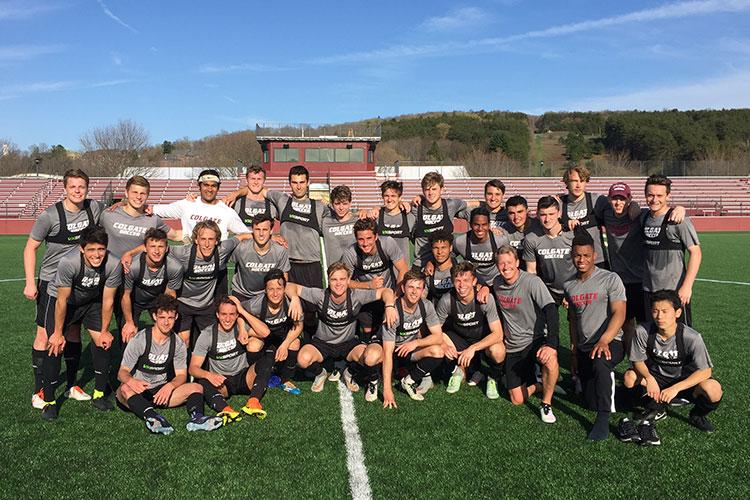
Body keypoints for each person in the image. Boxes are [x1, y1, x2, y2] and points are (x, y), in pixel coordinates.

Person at [24, 169, 104, 408]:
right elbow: (30, 248)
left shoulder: (94, 208)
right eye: (73, 187)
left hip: (79, 281)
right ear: (65, 188)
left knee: (72, 333)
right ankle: (39, 390)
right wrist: (30, 282)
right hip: (52, 282)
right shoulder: (50, 216)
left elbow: (114, 213)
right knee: (46, 335)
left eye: (82, 187)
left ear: (87, 188)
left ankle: (71, 385)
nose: (78, 191)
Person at [40, 225, 122, 420]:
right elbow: (62, 300)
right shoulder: (69, 262)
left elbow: (108, 300)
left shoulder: (113, 263)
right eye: (91, 249)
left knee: (103, 342)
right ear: (82, 248)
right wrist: (58, 333)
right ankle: (50, 402)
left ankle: (99, 395)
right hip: (63, 302)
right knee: (55, 346)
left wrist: (104, 330)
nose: (97, 254)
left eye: (101, 249)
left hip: (91, 301)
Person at [621, 290, 722, 445]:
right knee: (629, 378)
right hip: (657, 378)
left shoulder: (691, 337)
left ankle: (697, 415)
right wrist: (649, 378)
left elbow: (706, 371)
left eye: (665, 311)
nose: (659, 316)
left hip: (683, 380)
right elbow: (637, 361)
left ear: (677, 312)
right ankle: (653, 407)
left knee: (713, 389)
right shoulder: (642, 331)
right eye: (655, 311)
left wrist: (676, 388)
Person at [116, 294, 224, 435]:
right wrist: (132, 381)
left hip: (162, 393)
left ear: (176, 317)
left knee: (196, 387)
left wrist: (170, 386)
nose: (166, 323)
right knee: (124, 389)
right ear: (155, 316)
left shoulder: (178, 343)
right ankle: (154, 418)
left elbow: (181, 375)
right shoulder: (140, 339)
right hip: (138, 391)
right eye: (162, 318)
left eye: (170, 318)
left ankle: (197, 419)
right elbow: (122, 372)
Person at [286, 262, 397, 399]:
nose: (338, 283)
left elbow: (386, 291)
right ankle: (320, 373)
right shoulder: (320, 295)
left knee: (372, 357)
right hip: (322, 343)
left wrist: (390, 306)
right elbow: (289, 286)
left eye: (342, 279)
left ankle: (349, 372)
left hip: (348, 344)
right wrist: (295, 298)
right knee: (303, 359)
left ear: (348, 280)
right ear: (328, 281)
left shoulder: (356, 296)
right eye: (334, 279)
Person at [563, 231, 627, 440]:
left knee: (601, 362)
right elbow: (573, 319)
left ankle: (603, 420)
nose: (582, 260)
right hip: (584, 347)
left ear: (595, 255)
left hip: (611, 342)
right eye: (577, 256)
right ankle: (624, 391)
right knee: (589, 401)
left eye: (586, 255)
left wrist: (605, 339)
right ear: (572, 256)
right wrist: (573, 350)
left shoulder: (610, 278)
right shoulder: (569, 285)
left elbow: (620, 312)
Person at [493, 245, 560, 424]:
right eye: (501, 264)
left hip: (534, 339)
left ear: (517, 262)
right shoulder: (496, 283)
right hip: (513, 346)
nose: (506, 267)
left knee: (550, 360)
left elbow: (551, 310)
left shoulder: (532, 281)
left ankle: (546, 403)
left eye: (509, 262)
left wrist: (551, 345)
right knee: (517, 400)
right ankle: (540, 384)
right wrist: (484, 289)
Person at [190, 295, 274, 420]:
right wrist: (209, 375)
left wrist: (242, 311)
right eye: (224, 314)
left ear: (236, 315)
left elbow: (265, 332)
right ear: (217, 315)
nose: (228, 319)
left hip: (243, 377)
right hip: (222, 381)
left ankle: (253, 402)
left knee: (266, 362)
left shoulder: (240, 327)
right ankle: (226, 410)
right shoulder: (207, 335)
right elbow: (193, 368)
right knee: (202, 381)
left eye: (232, 314)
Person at [168, 220, 248, 347]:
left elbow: (242, 236)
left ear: (217, 241)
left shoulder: (222, 249)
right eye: (203, 239)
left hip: (207, 305)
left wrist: (271, 239)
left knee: (212, 342)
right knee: (184, 342)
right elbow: (158, 248)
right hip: (184, 303)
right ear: (196, 240)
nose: (206, 244)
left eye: (211, 239)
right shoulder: (183, 253)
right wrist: (130, 254)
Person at [435, 262, 505, 399]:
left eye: (466, 280)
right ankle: (460, 370)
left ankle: (492, 377)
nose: (461, 285)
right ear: (452, 281)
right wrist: (443, 345)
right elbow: (436, 331)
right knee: (439, 341)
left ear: (474, 281)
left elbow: (498, 334)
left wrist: (473, 348)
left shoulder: (485, 298)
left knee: (498, 351)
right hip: (459, 338)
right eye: (457, 281)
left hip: (481, 340)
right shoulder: (446, 300)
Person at [640, 174, 701, 326]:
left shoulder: (678, 221)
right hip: (649, 290)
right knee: (653, 335)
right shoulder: (643, 217)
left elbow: (696, 253)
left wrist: (687, 287)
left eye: (660, 195)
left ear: (668, 195)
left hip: (674, 291)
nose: (654, 200)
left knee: (680, 335)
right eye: (650, 195)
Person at [381, 270, 445, 407]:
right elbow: (387, 352)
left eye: (418, 288)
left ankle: (409, 381)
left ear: (423, 290)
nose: (414, 292)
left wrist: (416, 343)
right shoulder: (394, 312)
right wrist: (387, 390)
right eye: (411, 287)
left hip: (410, 349)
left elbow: (438, 337)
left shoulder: (426, 305)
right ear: (403, 288)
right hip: (394, 352)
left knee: (438, 351)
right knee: (374, 358)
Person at [341, 218, 408, 341]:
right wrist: (368, 285)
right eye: (361, 239)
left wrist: (395, 297)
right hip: (366, 296)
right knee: (367, 330)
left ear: (376, 236)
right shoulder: (351, 253)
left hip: (389, 293)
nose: (365, 243)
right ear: (356, 239)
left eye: (369, 238)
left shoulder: (387, 243)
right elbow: (344, 282)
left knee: (391, 323)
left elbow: (403, 269)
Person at [239, 269, 303, 395]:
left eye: (279, 289)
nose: (275, 293)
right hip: (264, 337)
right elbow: (239, 312)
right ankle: (259, 376)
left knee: (295, 343)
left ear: (284, 289)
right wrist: (242, 329)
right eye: (270, 289)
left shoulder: (291, 303)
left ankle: (284, 379)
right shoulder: (256, 304)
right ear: (265, 290)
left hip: (282, 337)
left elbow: (299, 326)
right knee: (253, 345)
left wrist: (285, 344)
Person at [151, 169, 250, 242]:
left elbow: (247, 235)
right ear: (199, 186)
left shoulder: (227, 212)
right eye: (206, 185)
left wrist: (230, 244)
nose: (210, 189)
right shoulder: (187, 204)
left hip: (216, 265)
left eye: (213, 185)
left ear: (218, 187)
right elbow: (154, 210)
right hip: (190, 262)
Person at [120, 228, 183, 343]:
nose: (157, 251)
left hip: (158, 300)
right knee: (128, 337)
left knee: (167, 334)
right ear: (144, 248)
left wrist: (167, 320)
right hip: (134, 301)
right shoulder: (133, 267)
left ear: (167, 248)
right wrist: (129, 323)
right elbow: (125, 295)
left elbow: (170, 295)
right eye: (153, 246)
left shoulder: (174, 267)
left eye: (161, 247)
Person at [523, 196, 576, 307]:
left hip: (573, 287)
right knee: (549, 323)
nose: (547, 219)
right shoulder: (531, 238)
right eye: (543, 215)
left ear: (559, 213)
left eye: (551, 214)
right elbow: (531, 271)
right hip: (548, 290)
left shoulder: (572, 235)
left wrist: (574, 290)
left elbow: (583, 266)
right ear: (537, 215)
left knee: (579, 323)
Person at [410, 172, 468, 270]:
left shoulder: (451, 205)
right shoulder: (416, 208)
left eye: (434, 189)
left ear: (441, 189)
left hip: (446, 264)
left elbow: (468, 204)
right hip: (421, 264)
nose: (430, 193)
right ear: (423, 191)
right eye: (427, 189)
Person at [229, 213, 290, 302]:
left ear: (271, 230)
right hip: (241, 293)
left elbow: (284, 277)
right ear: (252, 230)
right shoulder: (241, 248)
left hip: (265, 294)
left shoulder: (280, 251)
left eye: (265, 229)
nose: (261, 234)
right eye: (257, 229)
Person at [558, 165, 609, 267]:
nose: (578, 185)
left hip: (597, 262)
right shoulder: (559, 204)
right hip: (571, 263)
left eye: (582, 181)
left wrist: (632, 206)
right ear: (566, 182)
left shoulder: (597, 201)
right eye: (574, 181)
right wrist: (562, 226)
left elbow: (618, 210)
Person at [452, 206, 510, 286]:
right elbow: (448, 258)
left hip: (496, 282)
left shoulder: (500, 241)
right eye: (476, 224)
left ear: (489, 225)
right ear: (470, 224)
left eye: (484, 224)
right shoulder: (460, 242)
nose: (480, 228)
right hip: (472, 283)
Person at [376, 180, 415, 266]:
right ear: (382, 197)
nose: (389, 199)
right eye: (386, 196)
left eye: (393, 196)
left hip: (403, 273)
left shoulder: (409, 217)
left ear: (400, 197)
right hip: (382, 274)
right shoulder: (376, 217)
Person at [231, 165, 277, 229]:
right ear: (247, 180)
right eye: (253, 179)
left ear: (264, 180)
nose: (256, 182)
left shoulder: (272, 204)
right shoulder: (237, 203)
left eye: (259, 179)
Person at [322, 185, 357, 266]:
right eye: (337, 204)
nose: (341, 208)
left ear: (350, 203)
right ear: (331, 203)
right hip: (333, 272)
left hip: (354, 272)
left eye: (345, 204)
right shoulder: (325, 222)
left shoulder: (358, 221)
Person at [424, 231, 456, 306]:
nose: (440, 252)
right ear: (431, 249)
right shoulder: (427, 272)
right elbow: (421, 299)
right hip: (435, 315)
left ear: (450, 248)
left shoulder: (461, 269)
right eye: (436, 248)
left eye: (443, 247)